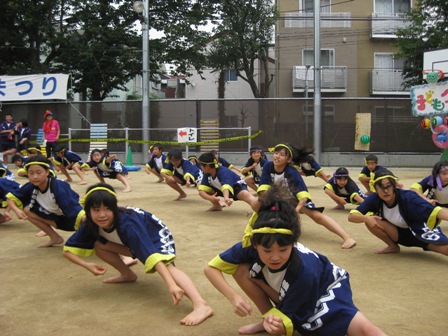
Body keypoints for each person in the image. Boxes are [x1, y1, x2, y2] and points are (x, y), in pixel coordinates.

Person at [204, 184, 387, 336]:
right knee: (242, 269)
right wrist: (234, 297)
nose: (275, 256)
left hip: (326, 290)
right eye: (267, 250)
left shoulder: (305, 270)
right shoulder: (250, 244)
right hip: (292, 290)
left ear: (293, 243)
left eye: (283, 249)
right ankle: (267, 316)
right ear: (255, 245)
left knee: (366, 329)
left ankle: (272, 317)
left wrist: (279, 324)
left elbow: (288, 323)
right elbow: (211, 269)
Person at [63, 183, 214, 326]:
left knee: (167, 267)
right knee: (99, 245)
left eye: (107, 209)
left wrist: (171, 285)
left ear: (114, 209)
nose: (102, 215)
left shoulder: (129, 224)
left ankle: (201, 305)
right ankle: (128, 274)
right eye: (96, 210)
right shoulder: (89, 223)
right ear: (88, 212)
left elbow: (152, 256)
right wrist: (87, 265)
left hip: (154, 234)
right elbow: (67, 250)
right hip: (129, 241)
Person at [257, 143, 356, 249]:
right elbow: (263, 188)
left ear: (289, 159)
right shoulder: (268, 166)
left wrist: (296, 210)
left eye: (282, 154)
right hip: (278, 199)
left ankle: (347, 237)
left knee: (317, 216)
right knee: (257, 204)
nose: (277, 156)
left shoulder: (292, 172)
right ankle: (262, 230)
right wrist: (277, 205)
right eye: (276, 153)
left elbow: (303, 196)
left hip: (296, 200)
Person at [348, 169, 448, 255]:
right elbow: (352, 216)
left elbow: (436, 211)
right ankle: (393, 246)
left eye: (388, 186)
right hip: (399, 234)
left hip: (420, 231)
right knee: (371, 220)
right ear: (375, 188)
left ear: (394, 185)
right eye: (380, 187)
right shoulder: (374, 198)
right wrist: (366, 218)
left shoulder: (408, 197)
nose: (385, 191)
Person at [5, 155, 86, 247]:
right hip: (57, 220)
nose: (35, 177)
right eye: (31, 173)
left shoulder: (58, 187)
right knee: (27, 210)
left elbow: (76, 211)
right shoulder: (30, 186)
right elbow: (10, 198)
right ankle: (55, 237)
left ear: (47, 172)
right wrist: (16, 210)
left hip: (77, 220)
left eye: (39, 172)